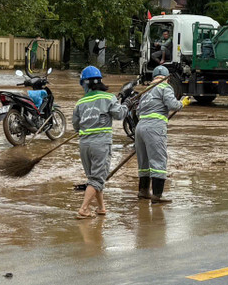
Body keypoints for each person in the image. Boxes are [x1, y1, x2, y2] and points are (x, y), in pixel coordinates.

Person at [73, 66, 125, 219]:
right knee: (97, 179)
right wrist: (126, 105)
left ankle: (101, 208)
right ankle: (84, 208)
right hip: (100, 144)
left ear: (85, 83)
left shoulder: (80, 102)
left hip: (84, 145)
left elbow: (76, 125)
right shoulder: (108, 98)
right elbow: (120, 114)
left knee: (94, 178)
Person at [134, 65, 191, 203]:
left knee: (144, 161)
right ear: (167, 78)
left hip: (140, 128)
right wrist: (182, 103)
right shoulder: (165, 87)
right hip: (155, 128)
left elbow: (137, 111)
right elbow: (173, 105)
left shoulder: (146, 90)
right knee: (159, 160)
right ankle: (157, 196)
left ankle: (143, 191)